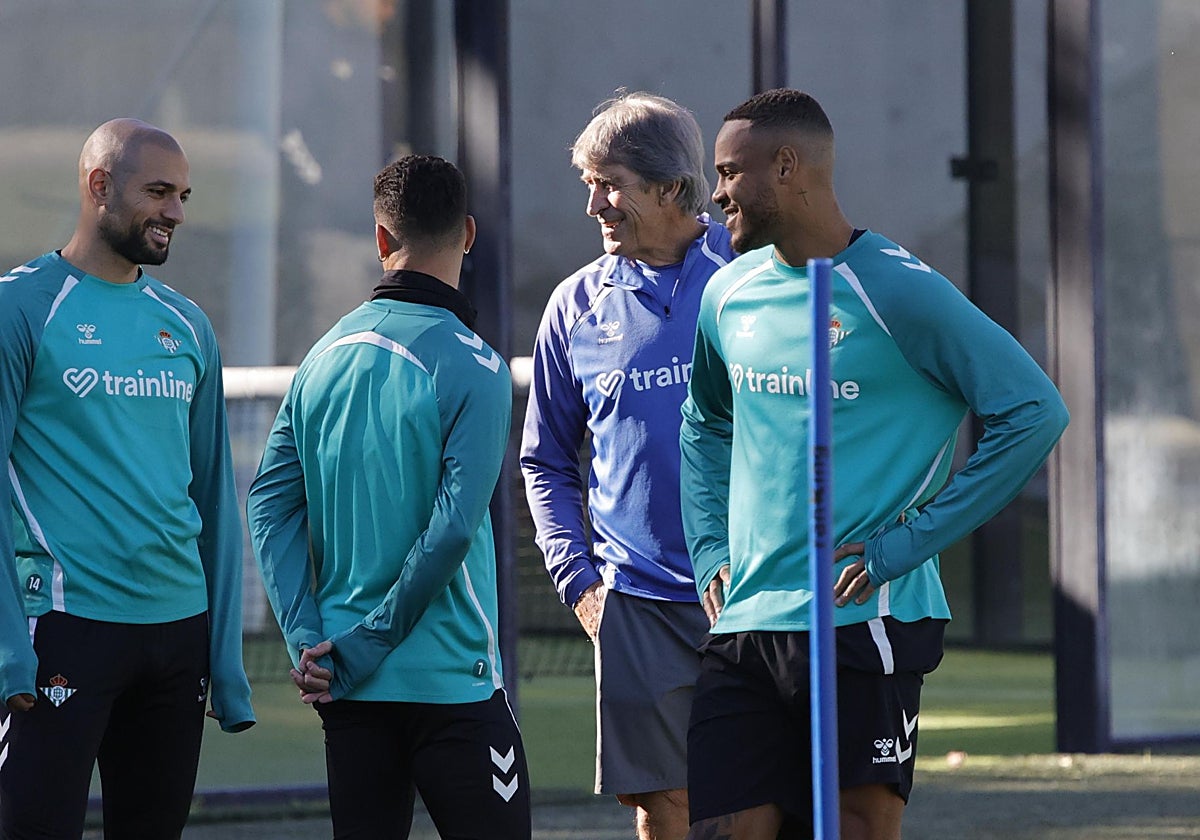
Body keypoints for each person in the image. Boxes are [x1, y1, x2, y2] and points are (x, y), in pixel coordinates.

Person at [679, 89, 1070, 840]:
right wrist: (708, 553)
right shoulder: (725, 293)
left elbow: (1034, 413)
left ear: (787, 166)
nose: (717, 192)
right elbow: (703, 425)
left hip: (867, 619)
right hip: (746, 620)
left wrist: (908, 543)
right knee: (727, 829)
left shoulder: (900, 290)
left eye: (730, 172)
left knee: (858, 827)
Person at [247, 154, 531, 840]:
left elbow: (268, 505)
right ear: (467, 234)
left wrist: (313, 643)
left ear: (380, 239)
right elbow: (454, 529)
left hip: (346, 685)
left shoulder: (321, 358)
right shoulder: (477, 365)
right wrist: (365, 646)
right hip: (450, 685)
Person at [0, 118, 255, 838]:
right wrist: (7, 646)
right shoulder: (18, 308)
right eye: (158, 192)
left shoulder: (188, 325)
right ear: (98, 186)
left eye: (183, 195)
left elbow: (213, 500)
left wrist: (224, 656)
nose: (176, 212)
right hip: (63, 632)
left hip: (176, 640)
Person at [520, 91, 735, 840]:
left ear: (672, 187)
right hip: (636, 599)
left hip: (756, 593)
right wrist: (578, 582)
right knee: (663, 807)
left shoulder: (752, 280)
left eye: (608, 184)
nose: (593, 206)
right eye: (588, 184)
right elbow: (545, 461)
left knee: (755, 805)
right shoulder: (573, 307)